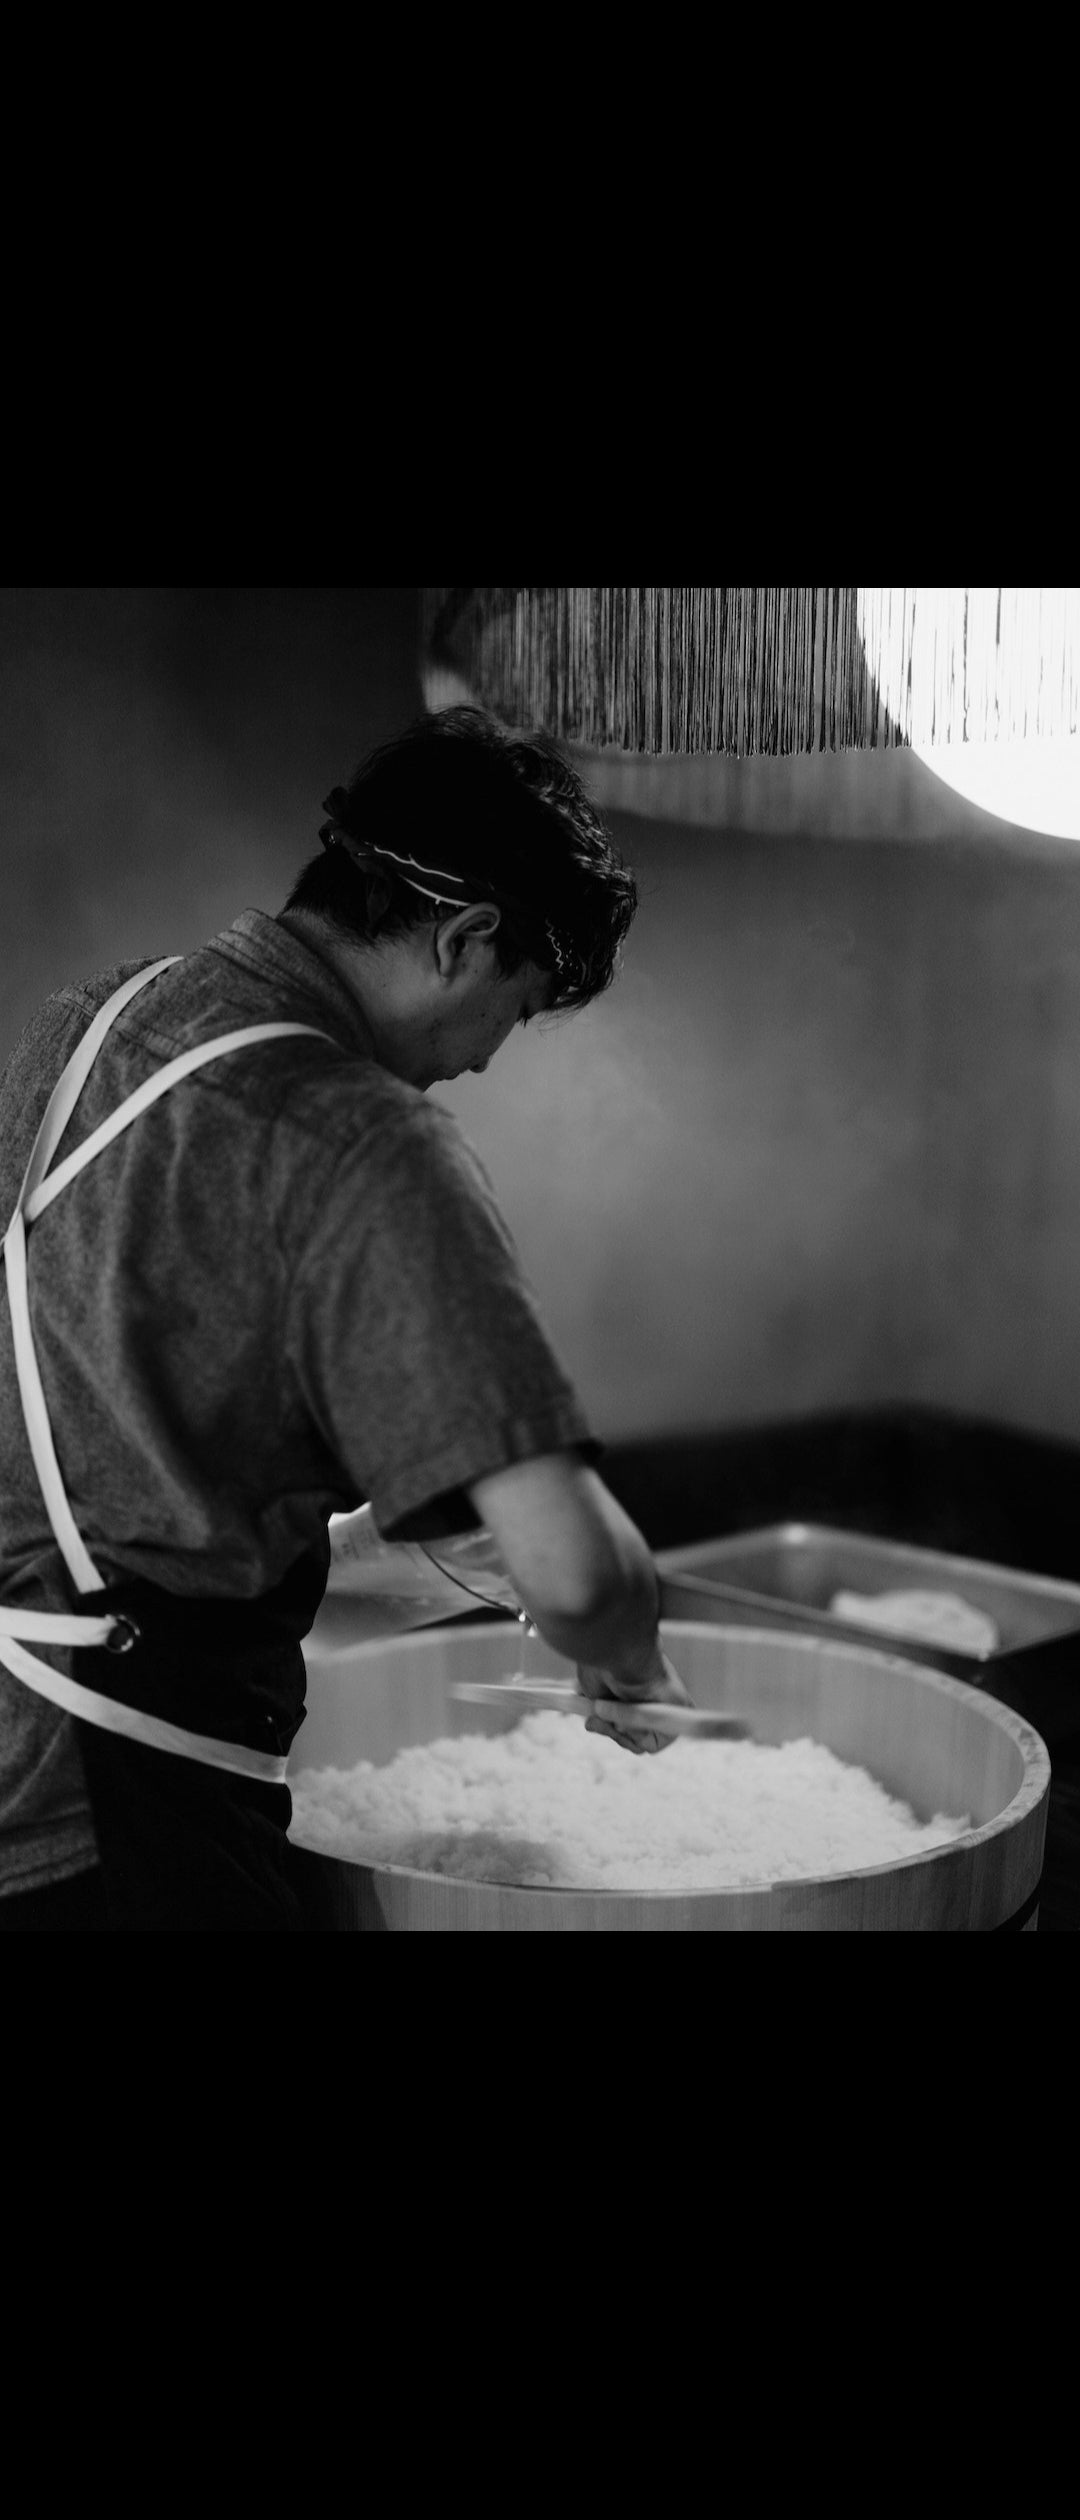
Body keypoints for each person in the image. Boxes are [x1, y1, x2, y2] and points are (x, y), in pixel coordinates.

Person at [0, 705, 691, 1933]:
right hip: (123, 1814)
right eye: (517, 1010)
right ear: (466, 939)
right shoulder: (363, 1137)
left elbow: (99, 1401)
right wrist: (629, 1660)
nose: (486, 1061)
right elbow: (581, 1576)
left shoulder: (88, 1024)